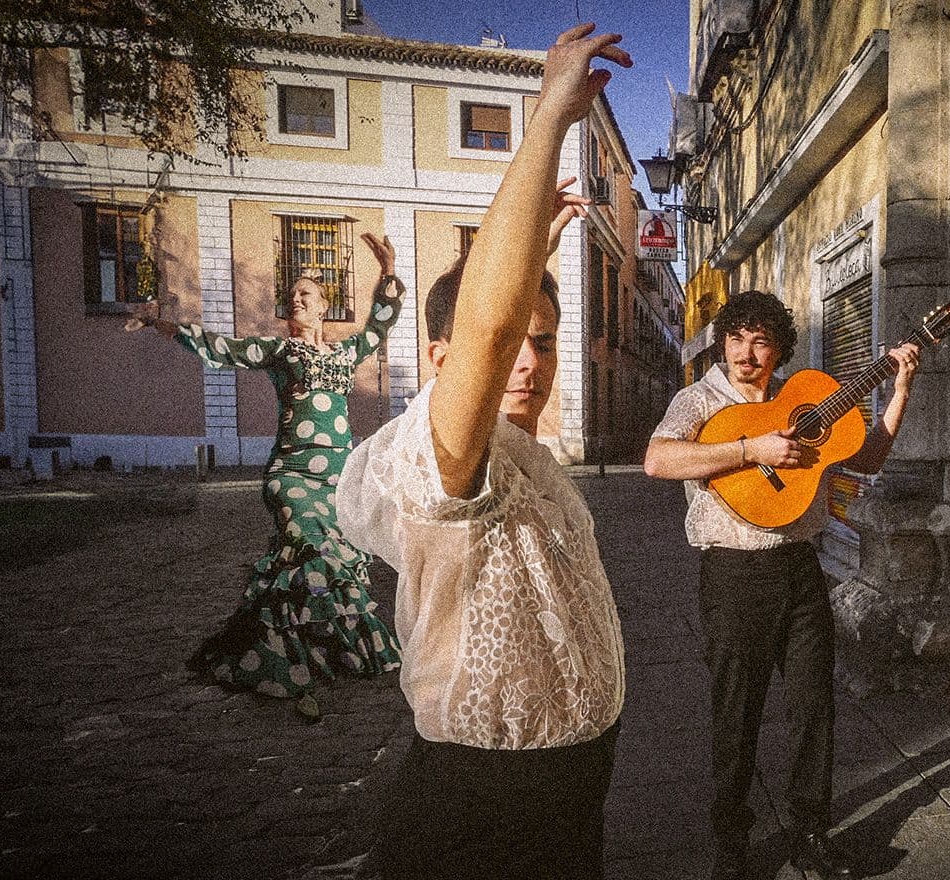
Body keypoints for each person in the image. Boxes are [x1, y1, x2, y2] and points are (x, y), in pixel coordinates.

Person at [332, 23, 630, 878]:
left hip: (572, 791)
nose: (526, 360)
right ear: (437, 363)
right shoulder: (441, 456)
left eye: (546, 341)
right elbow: (488, 327)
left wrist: (538, 246)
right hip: (482, 808)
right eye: (510, 347)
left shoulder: (524, 458)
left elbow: (505, 323)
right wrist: (548, 121)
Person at [643, 291, 920, 880]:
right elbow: (658, 460)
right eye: (737, 338)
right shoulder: (698, 399)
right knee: (735, 714)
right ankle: (732, 845)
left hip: (800, 569)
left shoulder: (806, 398)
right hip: (734, 574)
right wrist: (750, 449)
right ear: (723, 340)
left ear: (779, 348)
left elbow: (866, 456)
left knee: (813, 709)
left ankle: (810, 834)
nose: (747, 353)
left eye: (761, 341)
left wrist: (899, 391)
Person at [132, 233, 405, 721]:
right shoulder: (280, 353)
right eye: (293, 295)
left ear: (324, 308)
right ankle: (281, 661)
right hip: (293, 477)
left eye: (306, 295)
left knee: (334, 561)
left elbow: (379, 328)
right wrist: (165, 325)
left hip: (338, 481)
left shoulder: (345, 354)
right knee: (311, 547)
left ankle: (328, 651)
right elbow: (223, 348)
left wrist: (387, 272)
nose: (296, 300)